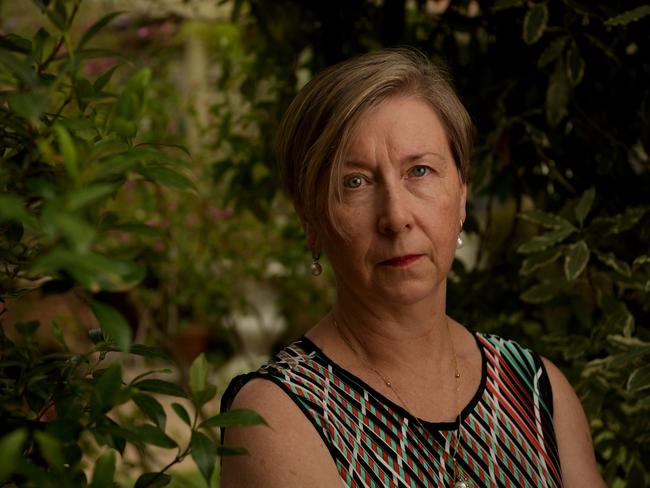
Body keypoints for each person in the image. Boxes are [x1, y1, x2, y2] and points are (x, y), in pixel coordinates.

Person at [219, 49, 605, 488]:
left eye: (419, 171)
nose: (396, 216)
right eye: (355, 182)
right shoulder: (277, 416)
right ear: (311, 221)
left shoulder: (536, 392)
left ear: (461, 194)